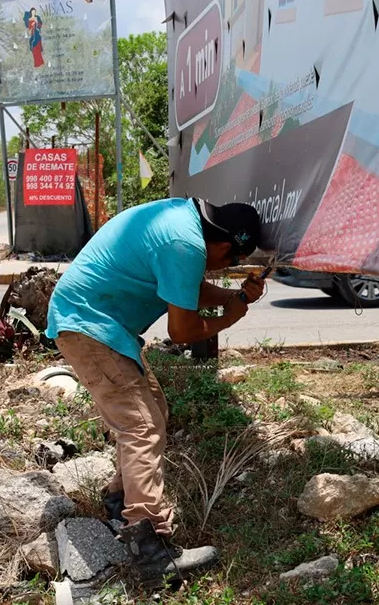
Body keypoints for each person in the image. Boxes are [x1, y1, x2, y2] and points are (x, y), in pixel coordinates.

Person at [46, 197, 265, 581]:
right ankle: (149, 546)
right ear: (226, 247)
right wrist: (228, 317)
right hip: (90, 327)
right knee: (142, 427)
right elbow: (181, 331)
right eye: (230, 263)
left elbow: (188, 288)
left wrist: (237, 296)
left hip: (102, 327)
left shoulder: (182, 220)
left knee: (154, 413)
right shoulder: (185, 245)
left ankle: (120, 500)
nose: (225, 269)